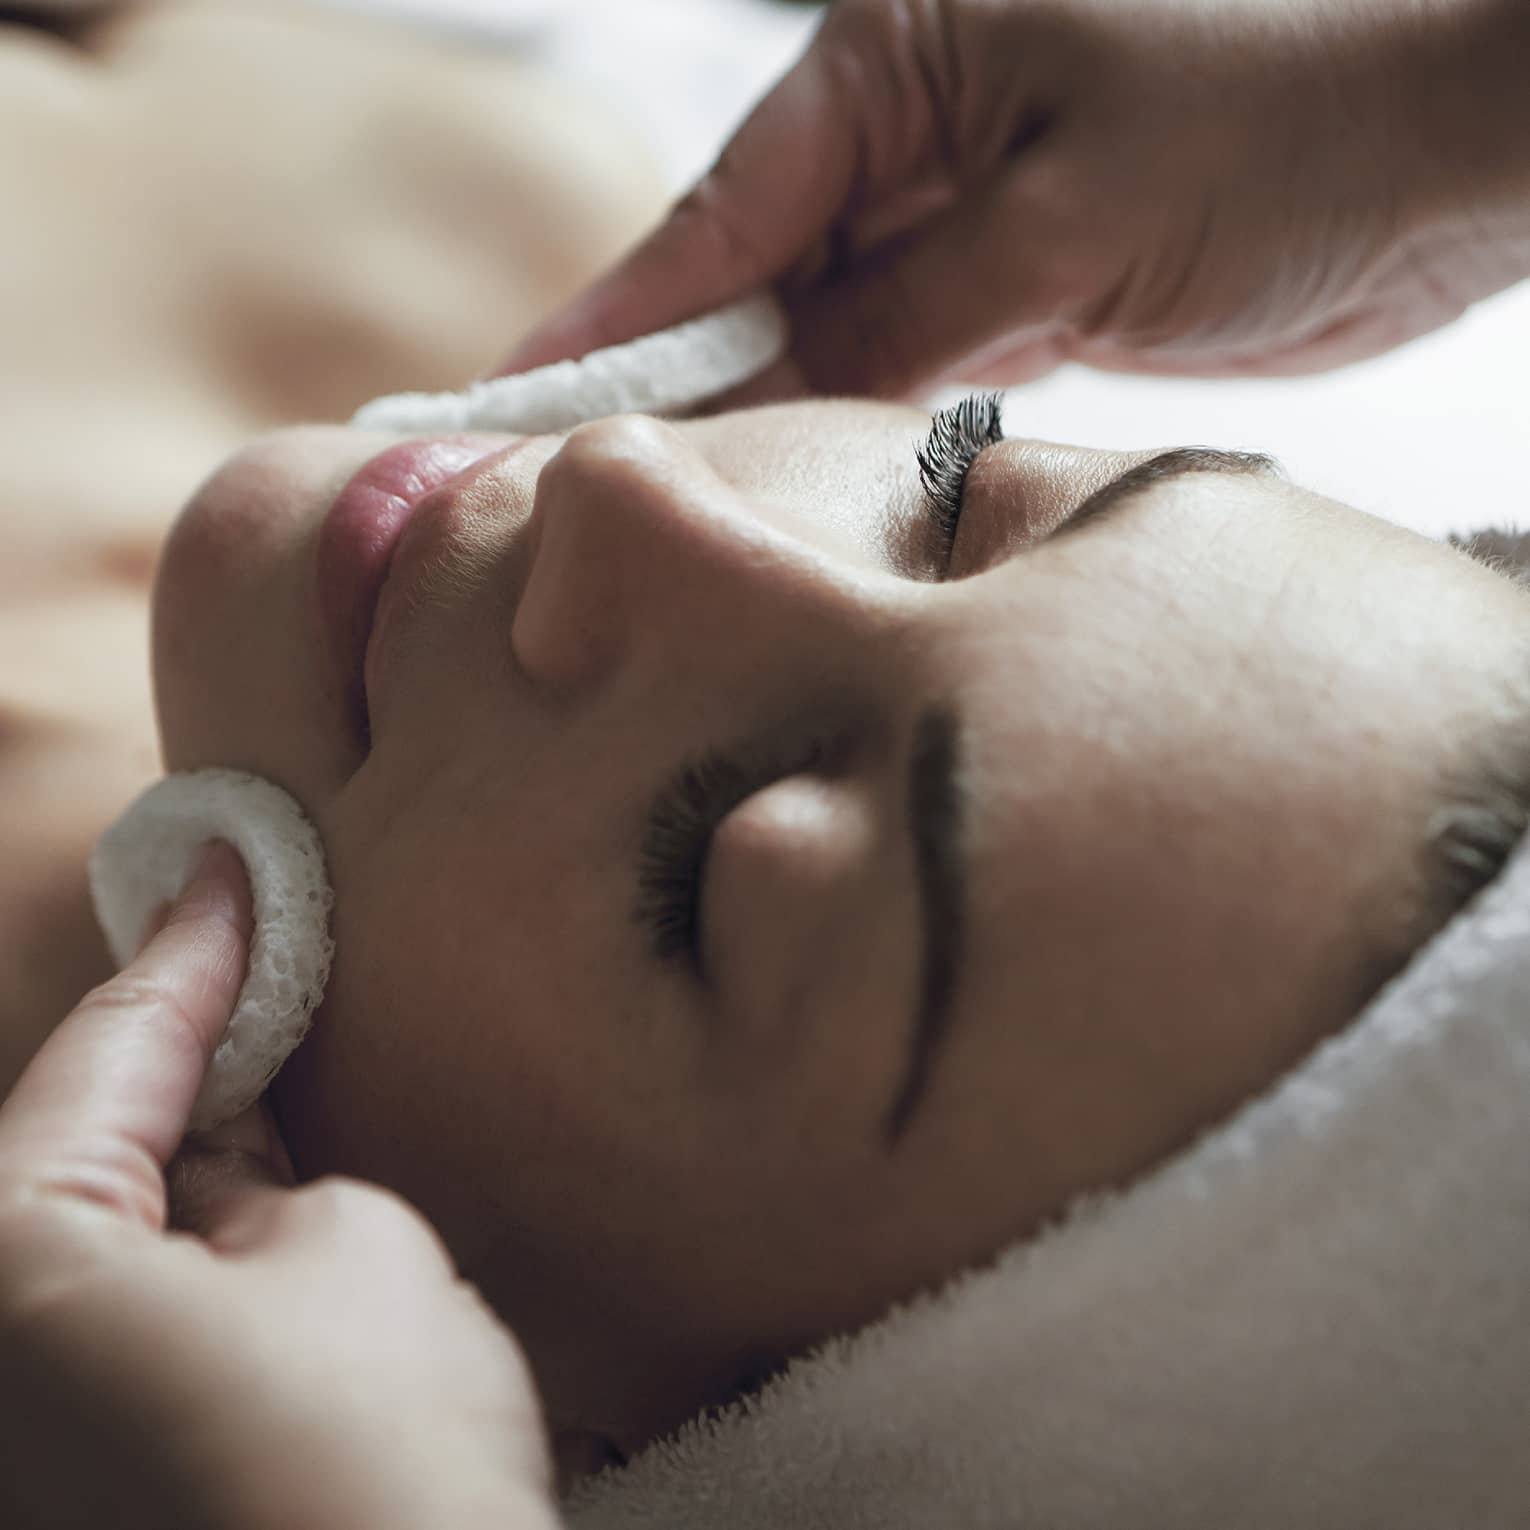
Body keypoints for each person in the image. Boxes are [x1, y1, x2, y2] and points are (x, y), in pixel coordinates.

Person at [4, 0, 1530, 1524]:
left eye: (721, 864)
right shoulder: (588, 165)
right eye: (957, 496)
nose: (628, 483)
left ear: (560, 1428)